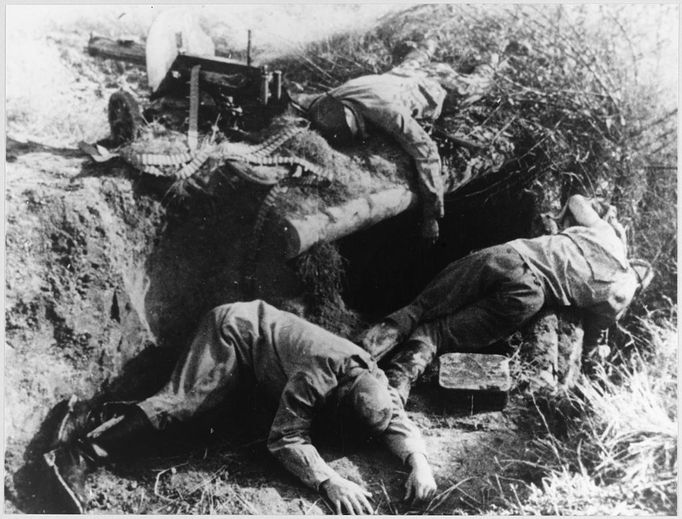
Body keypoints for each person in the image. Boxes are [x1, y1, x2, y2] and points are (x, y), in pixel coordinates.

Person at [44, 300, 436, 514]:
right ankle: (78, 453)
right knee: (185, 406)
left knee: (208, 425)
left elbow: (392, 418)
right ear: (338, 398)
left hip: (259, 364)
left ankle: (92, 417)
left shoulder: (372, 377)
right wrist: (328, 480)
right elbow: (286, 438)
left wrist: (418, 461)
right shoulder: (318, 376)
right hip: (233, 333)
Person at [359, 194, 654, 403]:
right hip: (530, 297)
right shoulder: (621, 297)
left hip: (511, 257)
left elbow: (577, 200)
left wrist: (570, 229)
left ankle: (358, 356)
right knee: (439, 333)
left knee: (421, 308)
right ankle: (396, 389)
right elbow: (592, 341)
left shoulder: (609, 238)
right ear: (640, 286)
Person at [305, 40, 447, 244]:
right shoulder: (331, 99)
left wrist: (431, 216)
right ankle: (428, 43)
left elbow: (427, 151)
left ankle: (491, 62)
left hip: (430, 88)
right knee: (412, 62)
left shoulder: (388, 114)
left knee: (472, 87)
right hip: (398, 76)